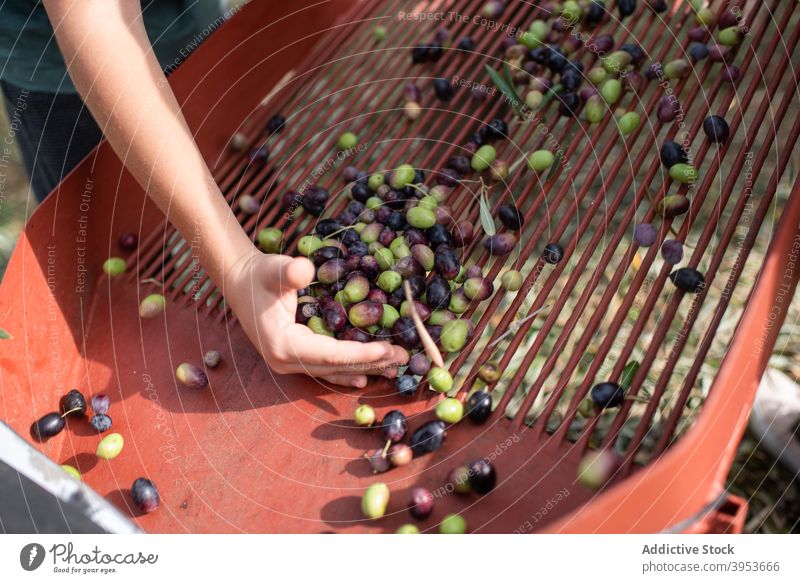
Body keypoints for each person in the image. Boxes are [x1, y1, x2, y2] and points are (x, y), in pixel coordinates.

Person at [0, 0, 408, 386]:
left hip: (185, 20)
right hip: (67, 70)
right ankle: (163, 307)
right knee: (124, 249)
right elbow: (98, 26)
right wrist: (237, 269)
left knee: (234, 171)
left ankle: (260, 272)